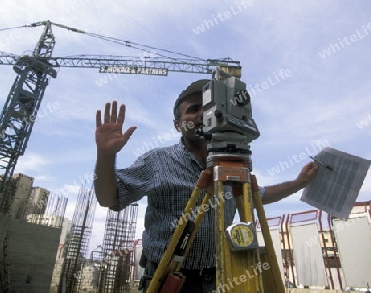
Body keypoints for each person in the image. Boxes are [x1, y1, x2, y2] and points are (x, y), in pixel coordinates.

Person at [94, 79, 318, 292]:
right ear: (178, 125)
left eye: (209, 106)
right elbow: (110, 198)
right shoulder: (157, 161)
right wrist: (105, 155)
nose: (203, 114)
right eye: (193, 109)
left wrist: (299, 183)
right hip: (168, 280)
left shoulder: (232, 164)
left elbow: (259, 195)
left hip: (223, 277)